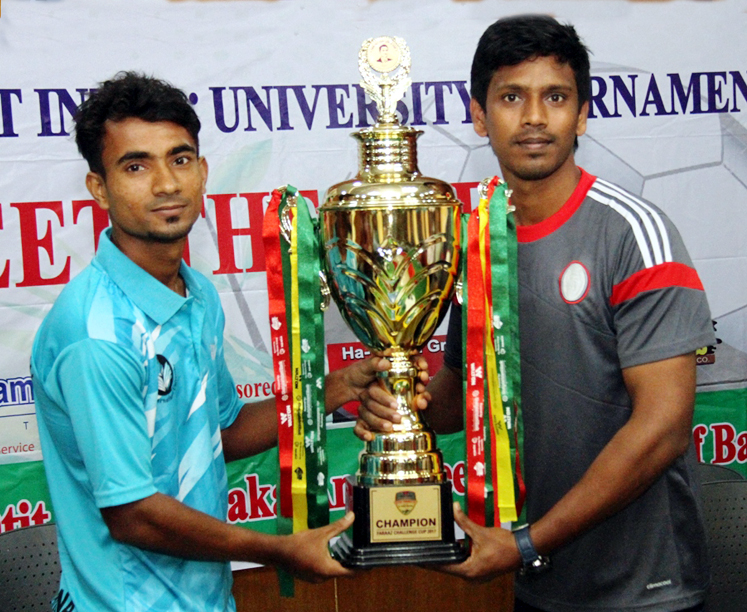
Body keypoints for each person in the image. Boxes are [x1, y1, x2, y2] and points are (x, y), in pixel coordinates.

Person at [356, 15, 715, 612]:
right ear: (479, 115)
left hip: (646, 591)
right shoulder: (474, 246)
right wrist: (400, 403)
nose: (533, 118)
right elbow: (461, 394)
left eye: (555, 96)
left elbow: (664, 427)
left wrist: (525, 543)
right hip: (542, 583)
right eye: (511, 97)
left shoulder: (632, 233)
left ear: (581, 113)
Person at [30, 72, 388, 612]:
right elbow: (132, 514)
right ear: (99, 187)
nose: (166, 184)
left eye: (179, 159)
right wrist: (282, 551)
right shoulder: (95, 334)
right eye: (135, 166)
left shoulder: (194, 294)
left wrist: (334, 388)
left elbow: (225, 430)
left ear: (201, 171)